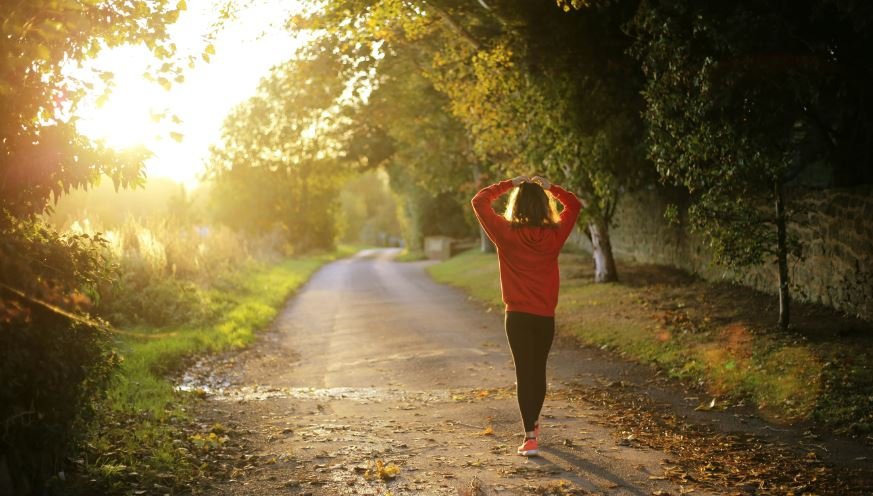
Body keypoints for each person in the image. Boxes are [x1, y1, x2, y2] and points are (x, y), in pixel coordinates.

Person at [471, 174, 583, 457]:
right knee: (538, 370)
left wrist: (510, 183)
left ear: (516, 205)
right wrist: (551, 187)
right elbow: (574, 204)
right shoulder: (555, 235)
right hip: (544, 316)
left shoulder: (505, 233)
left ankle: (530, 435)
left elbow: (479, 201)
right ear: (544, 206)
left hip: (517, 316)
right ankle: (533, 423)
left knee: (525, 372)